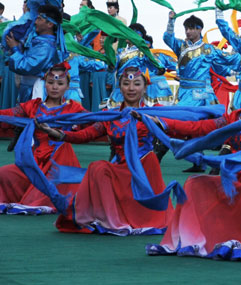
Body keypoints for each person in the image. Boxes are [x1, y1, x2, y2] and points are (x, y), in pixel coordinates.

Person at [145, 60, 241, 260]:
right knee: (194, 184)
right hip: (232, 179)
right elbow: (199, 128)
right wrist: (161, 122)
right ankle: (191, 239)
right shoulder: (235, 117)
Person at [42, 67, 173, 235]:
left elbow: (177, 128)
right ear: (120, 87)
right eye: (126, 84)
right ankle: (110, 220)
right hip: (119, 167)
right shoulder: (110, 116)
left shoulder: (154, 112)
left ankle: (127, 217)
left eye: (136, 84)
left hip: (143, 169)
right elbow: (86, 135)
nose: (131, 88)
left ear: (145, 88)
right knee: (98, 167)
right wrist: (59, 134)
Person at [0, 63, 84, 214]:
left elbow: (95, 122)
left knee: (62, 150)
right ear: (45, 84)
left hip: (59, 160)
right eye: (50, 82)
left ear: (67, 86)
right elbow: (7, 115)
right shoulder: (33, 106)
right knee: (4, 173)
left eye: (60, 84)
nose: (55, 87)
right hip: (36, 159)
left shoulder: (73, 108)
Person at [5, 5, 63, 103]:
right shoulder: (38, 42)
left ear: (50, 24)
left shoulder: (46, 47)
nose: (35, 22)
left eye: (39, 19)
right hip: (29, 89)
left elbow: (26, 66)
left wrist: (14, 48)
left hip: (35, 92)